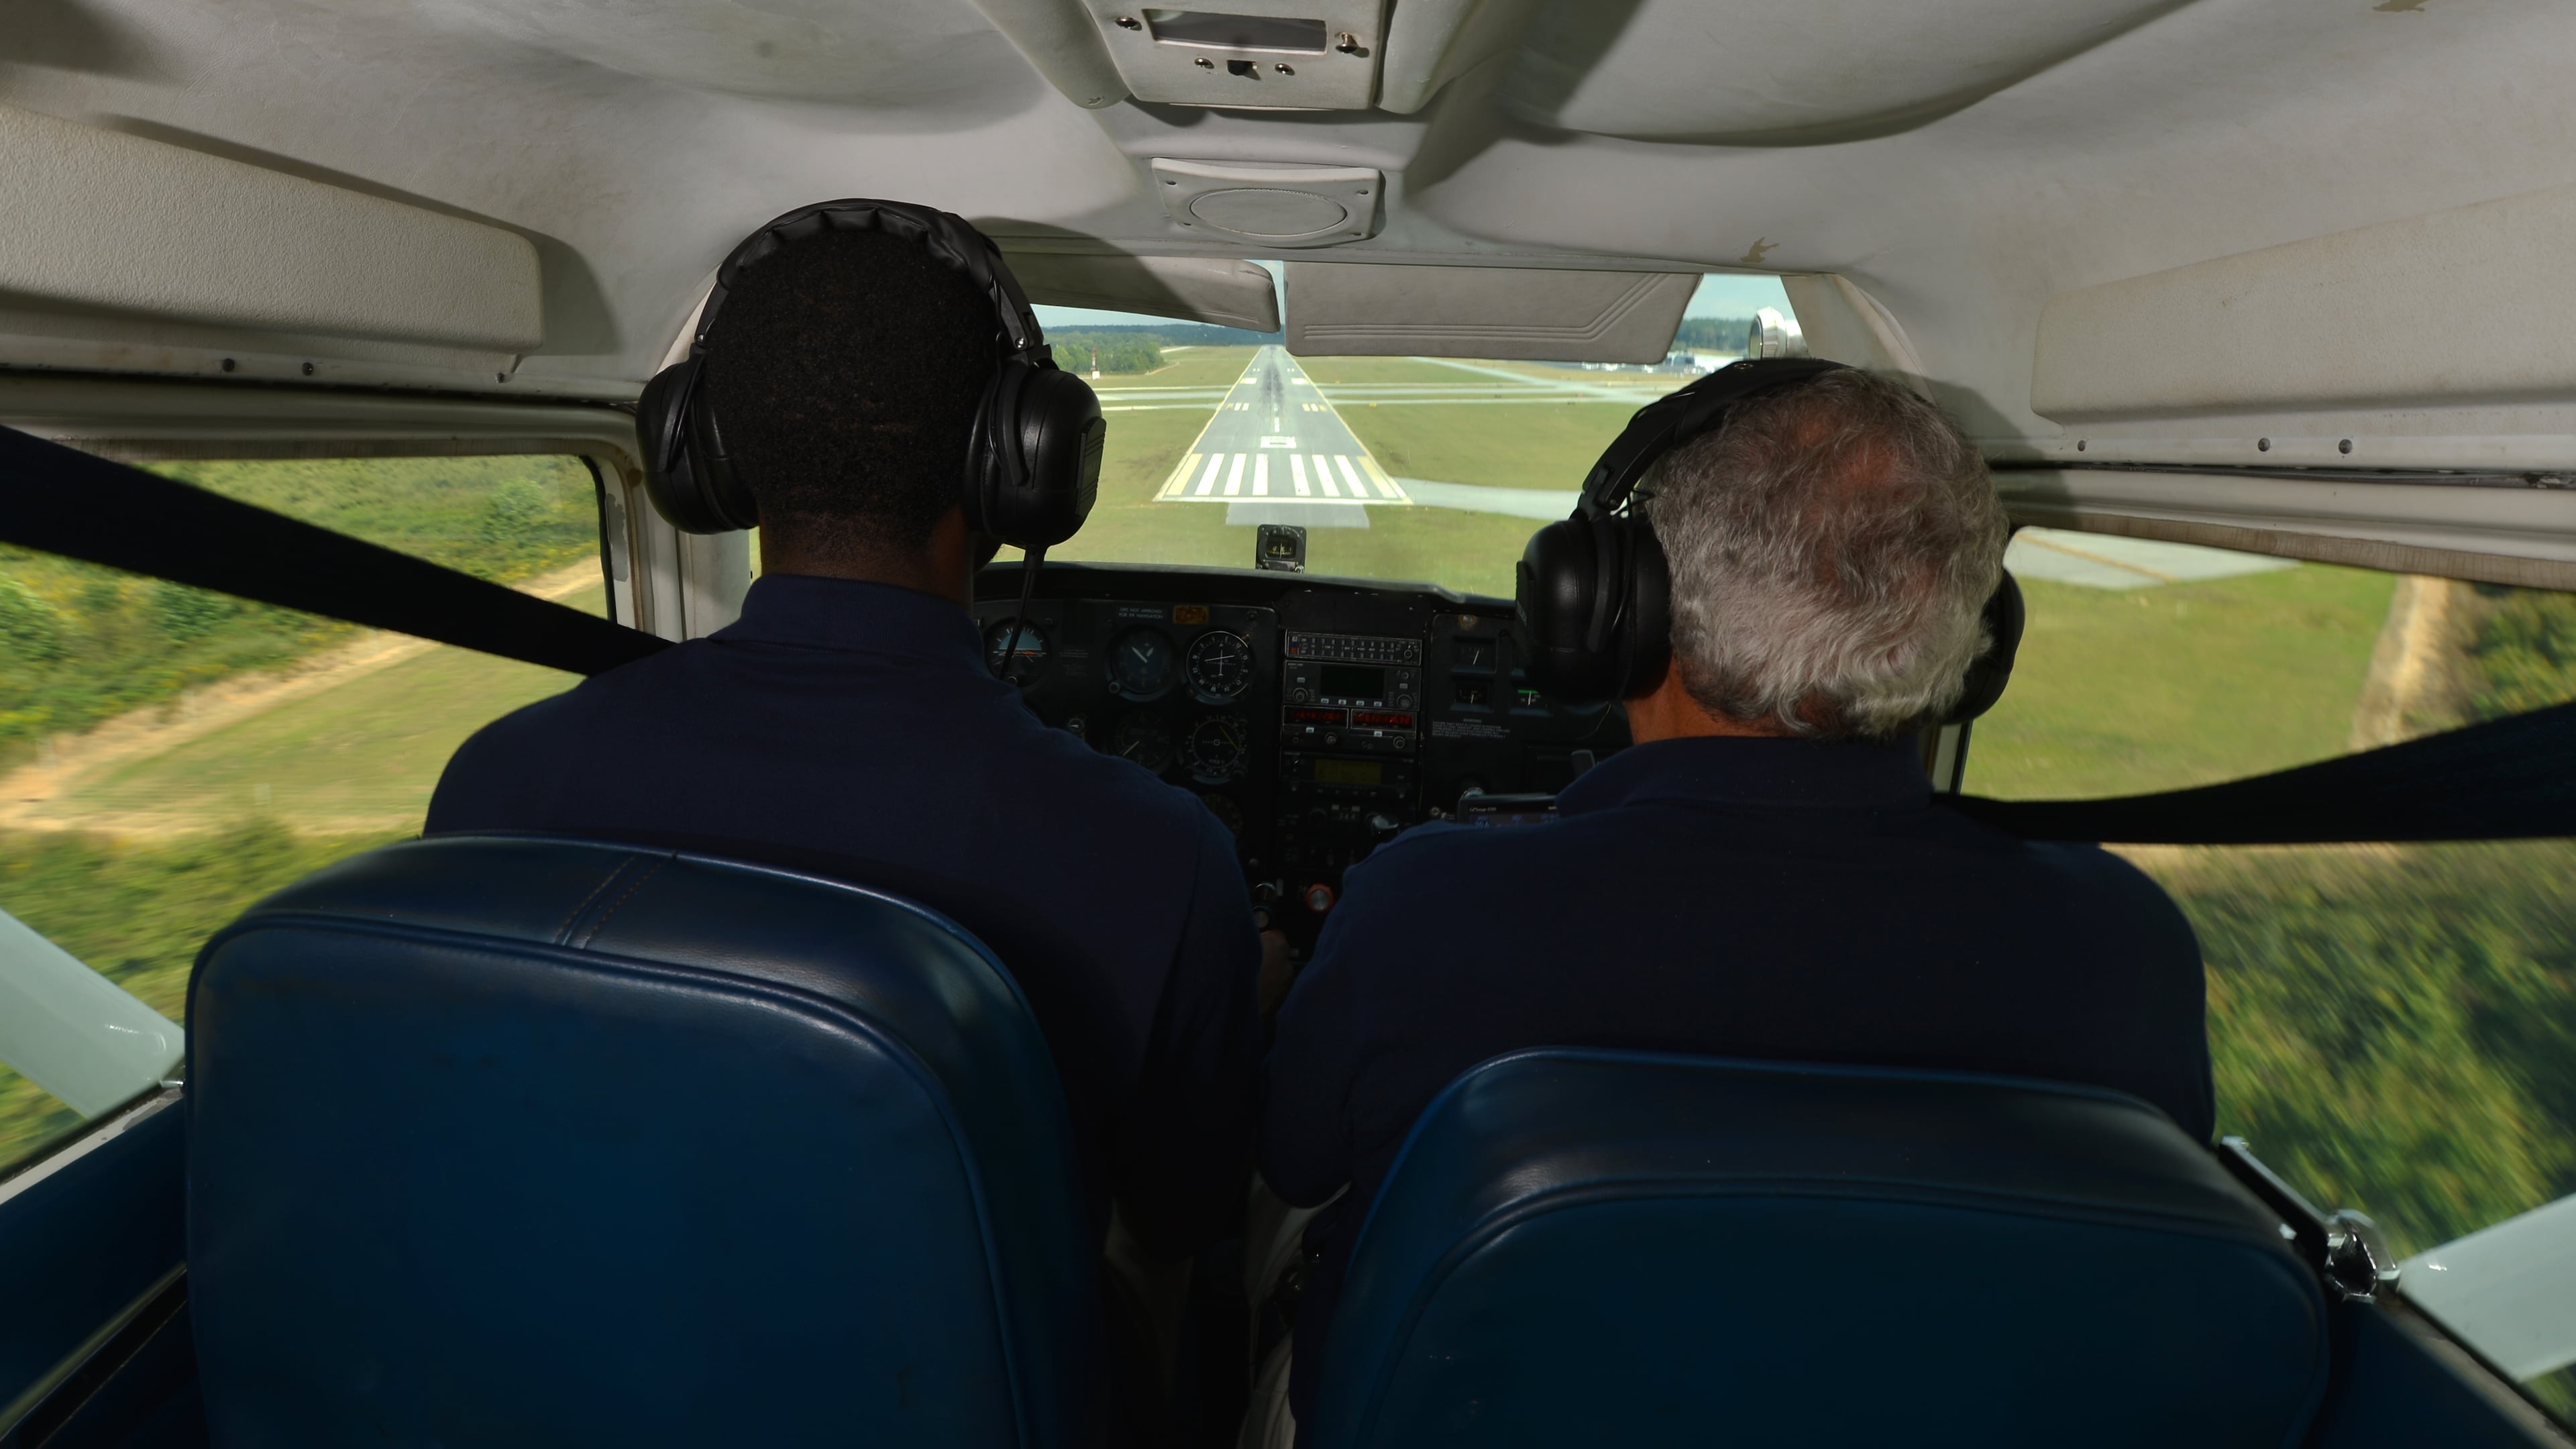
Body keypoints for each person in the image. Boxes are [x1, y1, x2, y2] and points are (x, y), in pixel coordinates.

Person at [1257, 368, 2211, 1435]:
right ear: (1974, 640)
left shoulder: (1430, 906)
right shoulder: (2128, 946)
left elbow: (1293, 1158)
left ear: (1621, 611)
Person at [426, 217, 1263, 1289]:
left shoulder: (496, 786)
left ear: (709, 454)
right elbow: (1185, 1214)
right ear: (1017, 463)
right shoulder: (1160, 860)